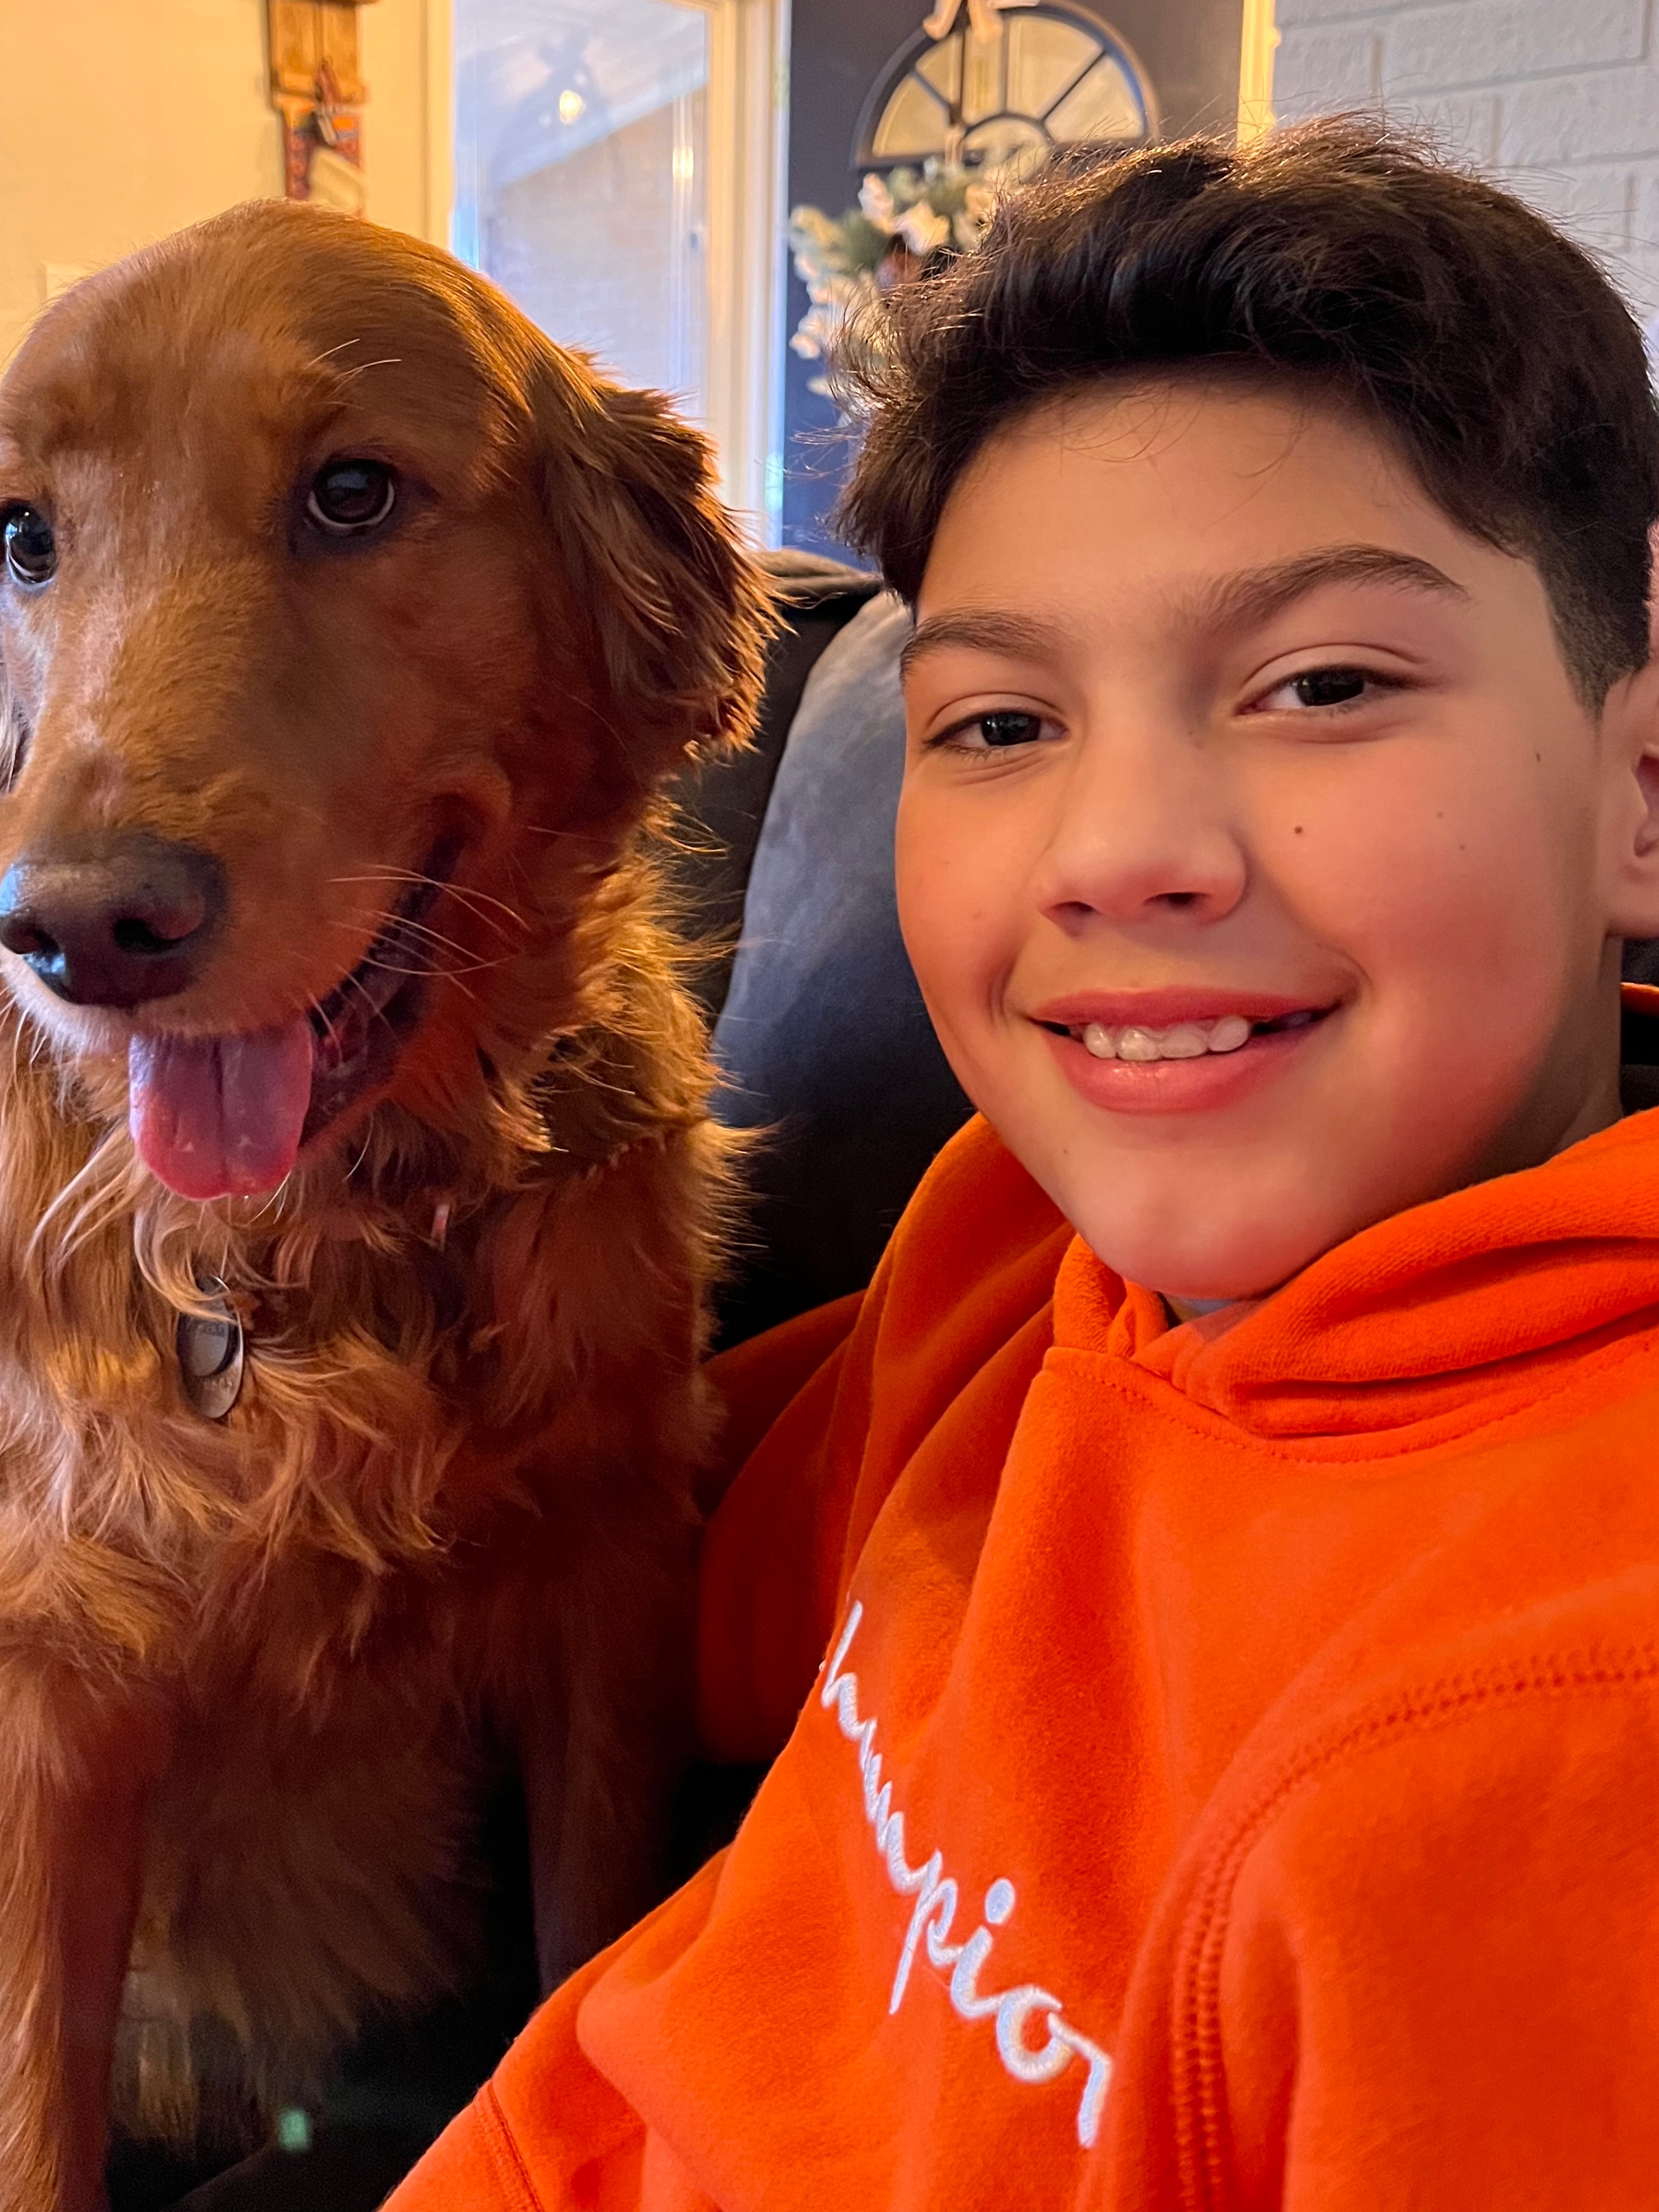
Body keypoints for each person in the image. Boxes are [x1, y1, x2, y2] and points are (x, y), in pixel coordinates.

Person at [388, 121, 1659, 2209]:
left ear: (1638, 793)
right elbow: (595, 1562)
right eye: (997, 723)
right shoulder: (1010, 1233)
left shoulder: (1563, 1736)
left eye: (1323, 684)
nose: (1116, 851)